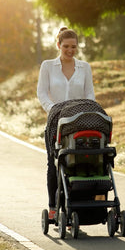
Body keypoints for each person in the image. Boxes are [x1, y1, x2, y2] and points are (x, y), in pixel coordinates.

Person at [37, 27, 95, 219]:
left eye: (73, 47)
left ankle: (77, 206)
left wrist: (88, 112)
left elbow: (89, 94)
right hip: (56, 122)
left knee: (78, 162)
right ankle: (53, 206)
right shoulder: (47, 66)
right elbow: (42, 93)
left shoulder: (84, 67)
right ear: (58, 45)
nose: (70, 50)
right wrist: (54, 110)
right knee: (54, 165)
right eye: (66, 46)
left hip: (79, 123)